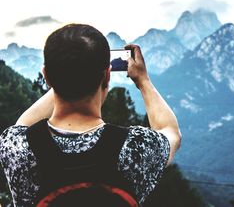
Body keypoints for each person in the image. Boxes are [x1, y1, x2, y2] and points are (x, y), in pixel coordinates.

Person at [0, 24, 181, 206]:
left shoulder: (16, 147)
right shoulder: (134, 148)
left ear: (46, 76)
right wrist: (143, 80)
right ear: (107, 76)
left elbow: (21, 125)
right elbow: (171, 132)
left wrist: (65, 73)